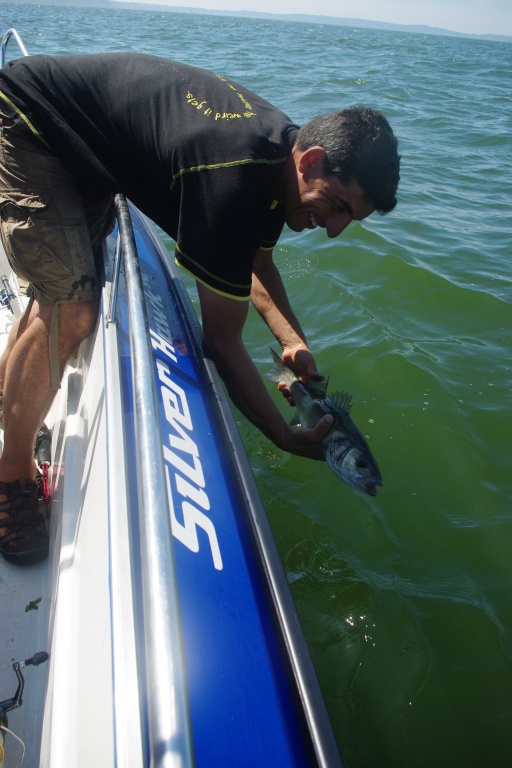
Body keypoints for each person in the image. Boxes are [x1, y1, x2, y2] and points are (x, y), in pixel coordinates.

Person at [0, 53, 400, 565]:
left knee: (63, 289)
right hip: (35, 122)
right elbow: (221, 342)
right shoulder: (232, 176)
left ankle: (11, 386)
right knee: (72, 307)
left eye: (351, 219)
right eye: (340, 207)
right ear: (312, 160)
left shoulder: (277, 163)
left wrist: (292, 342)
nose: (336, 228)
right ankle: (10, 478)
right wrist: (281, 434)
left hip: (86, 142)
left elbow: (255, 260)